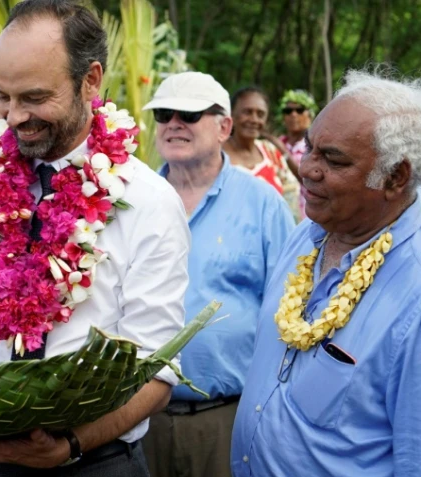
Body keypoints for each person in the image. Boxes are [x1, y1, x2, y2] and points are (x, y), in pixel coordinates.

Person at [0, 1, 190, 475]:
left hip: (94, 461)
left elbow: (156, 369)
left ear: (91, 80)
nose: (15, 117)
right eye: (4, 97)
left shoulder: (150, 200)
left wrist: (70, 444)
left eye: (35, 97)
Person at [231, 69, 421, 476]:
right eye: (309, 149)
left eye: (333, 159)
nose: (307, 169)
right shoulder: (305, 237)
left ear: (395, 177)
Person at [139, 72, 295, 477]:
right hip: (134, 421)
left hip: (226, 418)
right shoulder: (132, 200)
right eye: (163, 114)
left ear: (224, 126)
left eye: (188, 114)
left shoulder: (264, 203)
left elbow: (290, 313)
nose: (173, 123)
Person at [223, 87, 301, 219]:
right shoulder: (215, 157)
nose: (254, 120)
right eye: (247, 112)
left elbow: (290, 201)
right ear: (231, 115)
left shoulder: (271, 153)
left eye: (260, 114)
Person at [279, 89, 319, 220]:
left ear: (310, 115)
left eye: (300, 110)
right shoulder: (276, 144)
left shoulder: (315, 146)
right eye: (288, 111)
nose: (293, 115)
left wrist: (282, 152)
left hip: (306, 219)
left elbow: (308, 180)